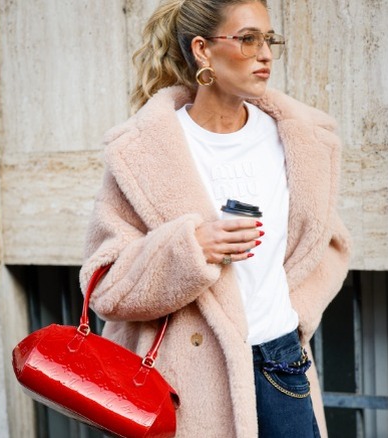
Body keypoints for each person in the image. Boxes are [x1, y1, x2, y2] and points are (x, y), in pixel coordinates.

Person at [80, 1, 350, 436]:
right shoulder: (145, 151)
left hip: (283, 364)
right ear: (203, 50)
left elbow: (328, 242)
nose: (264, 54)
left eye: (269, 39)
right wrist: (190, 249)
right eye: (247, 39)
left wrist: (292, 314)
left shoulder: (299, 140)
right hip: (189, 380)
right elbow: (105, 285)